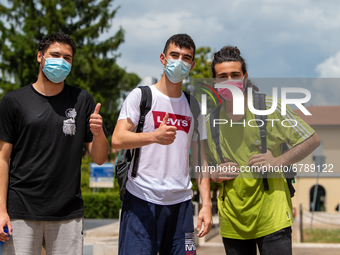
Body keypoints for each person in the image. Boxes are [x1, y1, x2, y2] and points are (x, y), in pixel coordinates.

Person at [0, 32, 109, 255]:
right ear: (40, 56)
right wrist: (1, 209)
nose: (61, 61)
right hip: (21, 209)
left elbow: (99, 158)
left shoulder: (82, 99)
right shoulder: (13, 101)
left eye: (67, 58)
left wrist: (98, 133)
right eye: (55, 55)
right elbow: (2, 158)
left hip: (68, 212)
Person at [205, 46, 320, 255]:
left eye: (235, 75)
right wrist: (214, 174)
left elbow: (312, 139)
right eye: (223, 77)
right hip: (233, 222)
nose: (229, 81)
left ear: (245, 78)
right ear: (215, 82)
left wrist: (278, 161)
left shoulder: (269, 107)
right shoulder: (210, 122)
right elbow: (204, 165)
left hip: (272, 218)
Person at [111, 33, 212, 255]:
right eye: (174, 55)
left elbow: (200, 159)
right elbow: (118, 139)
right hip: (141, 200)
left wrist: (206, 204)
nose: (179, 61)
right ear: (163, 58)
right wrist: (153, 136)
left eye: (186, 58)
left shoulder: (193, 106)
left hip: (182, 206)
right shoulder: (141, 96)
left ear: (192, 65)